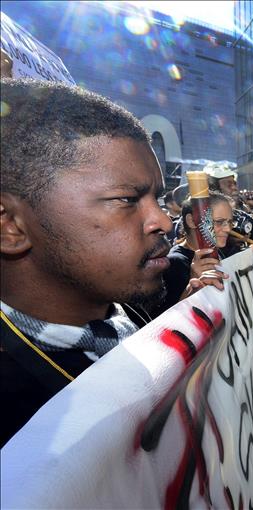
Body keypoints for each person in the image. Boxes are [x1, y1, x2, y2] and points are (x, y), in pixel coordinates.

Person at [0, 79, 174, 446]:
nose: (163, 220)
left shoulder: (129, 308)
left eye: (157, 197)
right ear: (10, 226)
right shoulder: (17, 424)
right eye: (127, 199)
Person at [153, 193, 236, 316]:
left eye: (230, 222)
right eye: (219, 222)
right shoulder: (174, 263)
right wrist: (192, 285)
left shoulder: (217, 251)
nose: (228, 229)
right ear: (191, 221)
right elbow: (162, 324)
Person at [204, 162, 253, 245]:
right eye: (229, 185)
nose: (234, 188)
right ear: (214, 189)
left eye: (234, 184)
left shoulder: (242, 218)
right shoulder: (203, 218)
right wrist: (230, 244)